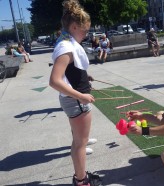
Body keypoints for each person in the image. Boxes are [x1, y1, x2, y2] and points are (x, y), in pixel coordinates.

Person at [49, 0, 102, 185]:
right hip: (76, 102)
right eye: (85, 30)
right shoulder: (66, 47)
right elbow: (54, 81)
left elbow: (70, 71)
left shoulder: (66, 42)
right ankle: (82, 181)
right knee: (80, 144)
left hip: (75, 101)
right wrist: (82, 96)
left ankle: (81, 175)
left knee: (78, 141)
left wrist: (84, 78)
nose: (87, 34)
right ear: (73, 26)